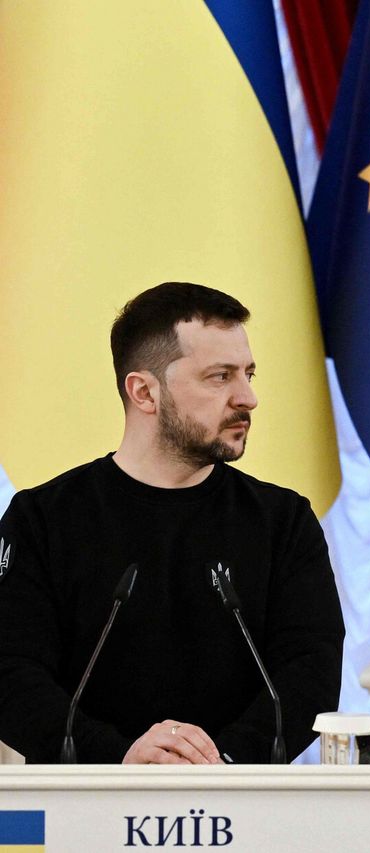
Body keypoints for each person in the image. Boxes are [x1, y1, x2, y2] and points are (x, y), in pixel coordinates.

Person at [0, 282, 344, 764]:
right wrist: (119, 761)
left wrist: (219, 765)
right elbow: (11, 675)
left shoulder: (283, 521)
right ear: (144, 392)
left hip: (239, 813)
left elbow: (311, 675)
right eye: (219, 377)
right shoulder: (42, 519)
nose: (248, 397)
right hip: (85, 813)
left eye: (248, 373)